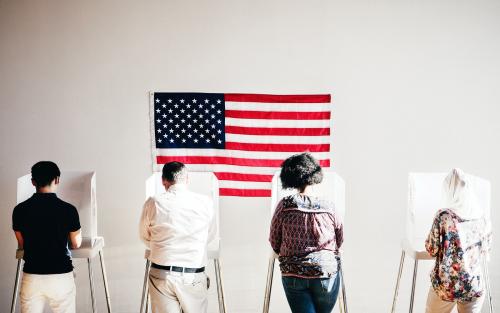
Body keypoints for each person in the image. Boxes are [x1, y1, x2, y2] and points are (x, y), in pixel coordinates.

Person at [269, 153, 344, 313]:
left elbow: (275, 241)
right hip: (325, 272)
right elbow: (339, 239)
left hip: (294, 273)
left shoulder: (284, 205)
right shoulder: (329, 206)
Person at [139, 161, 216, 313]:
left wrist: (159, 244)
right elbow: (210, 235)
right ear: (187, 180)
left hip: (162, 274)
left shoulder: (153, 202)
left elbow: (144, 236)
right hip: (193, 275)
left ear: (163, 181)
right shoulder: (205, 202)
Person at [12, 161, 82, 313]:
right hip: (61, 277)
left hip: (32, 276)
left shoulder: (19, 210)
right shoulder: (69, 210)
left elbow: (22, 244)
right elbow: (76, 244)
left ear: (33, 182)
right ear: (57, 180)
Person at [425, 168, 492, 313]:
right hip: (474, 286)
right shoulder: (482, 217)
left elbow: (431, 249)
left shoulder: (443, 216)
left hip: (446, 286)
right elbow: (486, 249)